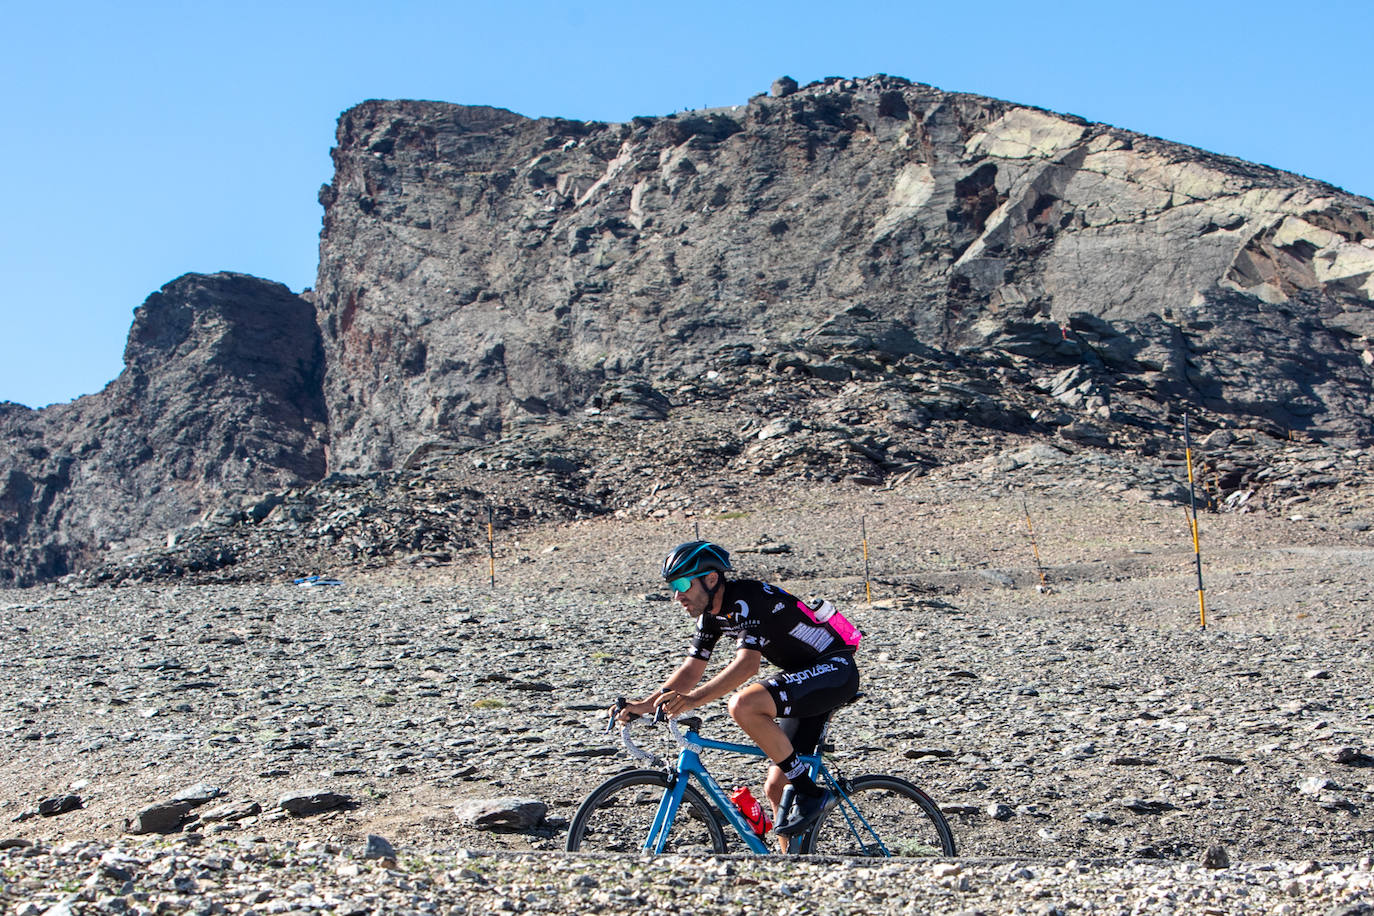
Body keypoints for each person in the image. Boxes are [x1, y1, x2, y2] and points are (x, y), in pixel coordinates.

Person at [615, 540, 862, 839]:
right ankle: (792, 869)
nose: (678, 595)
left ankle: (811, 793)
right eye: (672, 587)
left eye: (682, 583)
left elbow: (747, 666)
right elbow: (692, 668)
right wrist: (645, 704)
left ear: (711, 579)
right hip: (804, 679)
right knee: (777, 788)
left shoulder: (747, 600)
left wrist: (692, 700)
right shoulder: (711, 615)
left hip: (834, 669)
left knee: (744, 705)